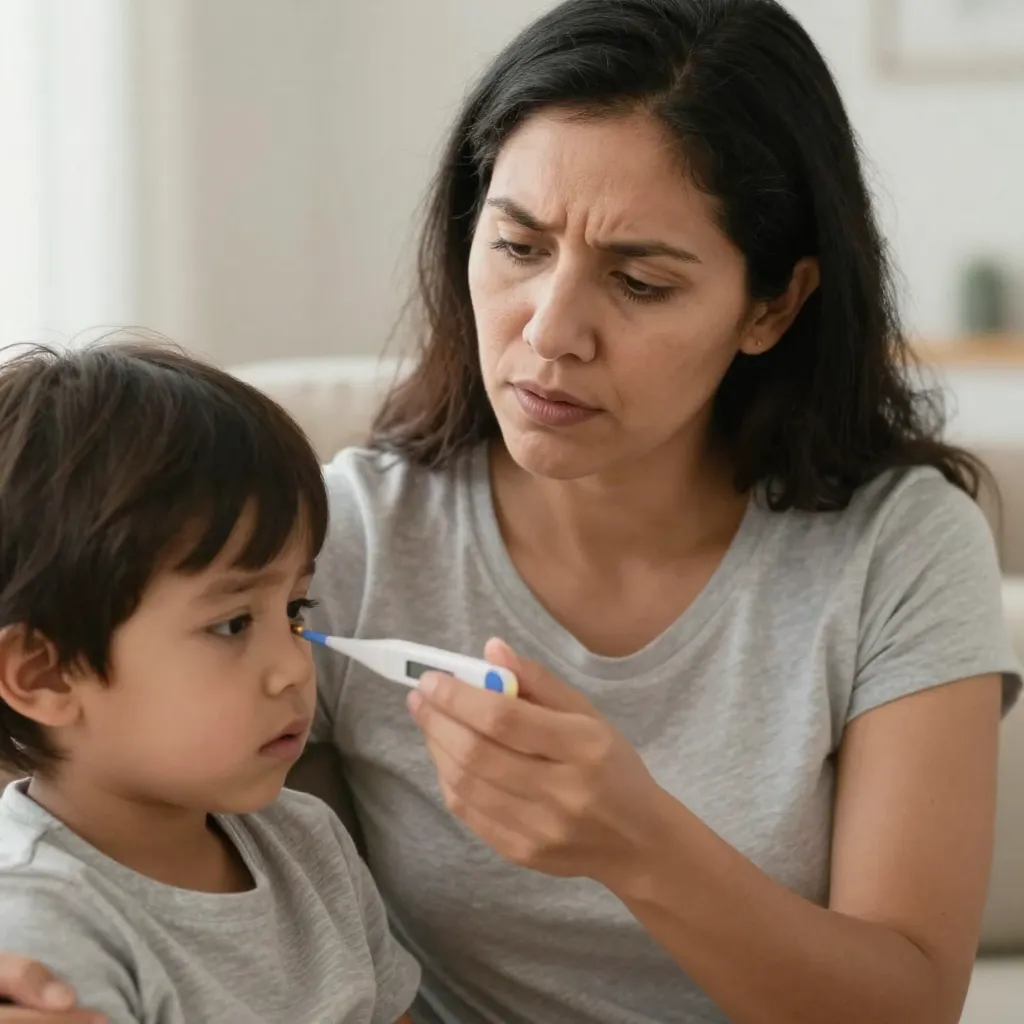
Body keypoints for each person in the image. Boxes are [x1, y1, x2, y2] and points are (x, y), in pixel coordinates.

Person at [2, 0, 1021, 1022]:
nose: (551, 330)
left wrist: (637, 845)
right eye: (519, 247)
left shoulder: (900, 548)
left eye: (637, 280)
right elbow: (88, 767)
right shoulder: (334, 547)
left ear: (772, 305)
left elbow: (907, 1004)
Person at [0, 343, 419, 1024]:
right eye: (230, 625)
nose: (291, 668)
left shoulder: (307, 840)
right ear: (45, 675)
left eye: (294, 611)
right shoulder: (37, 919)